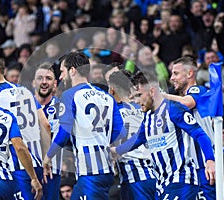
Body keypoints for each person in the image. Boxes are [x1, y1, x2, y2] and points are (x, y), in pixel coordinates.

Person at [111, 71, 216, 199]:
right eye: (134, 97)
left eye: (139, 95)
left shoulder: (173, 109)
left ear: (152, 91)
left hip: (181, 179)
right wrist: (116, 151)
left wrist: (210, 160)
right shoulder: (148, 117)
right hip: (162, 182)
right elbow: (138, 139)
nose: (137, 101)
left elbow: (200, 134)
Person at [43, 51, 126, 199]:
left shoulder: (70, 95)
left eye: (62, 71)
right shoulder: (107, 96)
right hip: (102, 168)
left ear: (72, 70)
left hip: (91, 172)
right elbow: (120, 131)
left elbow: (64, 133)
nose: (60, 77)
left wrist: (48, 157)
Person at [0, 54, 51, 199]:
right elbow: (46, 125)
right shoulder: (25, 91)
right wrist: (46, 159)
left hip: (15, 164)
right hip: (35, 162)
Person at [163, 56, 216, 199]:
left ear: (189, 73)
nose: (172, 78)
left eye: (176, 73)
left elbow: (187, 102)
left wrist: (161, 96)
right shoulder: (178, 101)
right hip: (189, 169)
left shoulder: (199, 90)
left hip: (204, 164)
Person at [107, 70, 157, 200]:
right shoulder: (144, 107)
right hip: (155, 170)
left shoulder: (112, 113)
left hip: (134, 173)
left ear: (112, 89)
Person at [33, 64, 62, 200]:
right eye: (40, 78)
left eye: (48, 78)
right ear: (34, 82)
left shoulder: (63, 108)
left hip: (53, 171)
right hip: (28, 170)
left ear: (55, 83)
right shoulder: (22, 106)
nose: (44, 82)